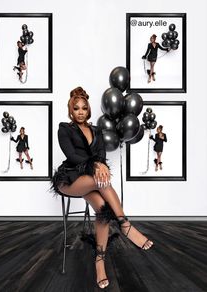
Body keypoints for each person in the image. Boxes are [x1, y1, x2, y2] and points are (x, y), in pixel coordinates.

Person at [50, 87, 154, 290]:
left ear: (88, 110)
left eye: (84, 108)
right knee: (102, 180)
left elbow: (102, 159)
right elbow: (72, 155)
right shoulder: (65, 129)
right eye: (76, 108)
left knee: (102, 208)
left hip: (91, 180)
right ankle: (126, 225)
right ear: (71, 111)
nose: (80, 111)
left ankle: (100, 262)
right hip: (70, 179)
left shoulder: (97, 131)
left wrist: (100, 165)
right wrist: (96, 165)